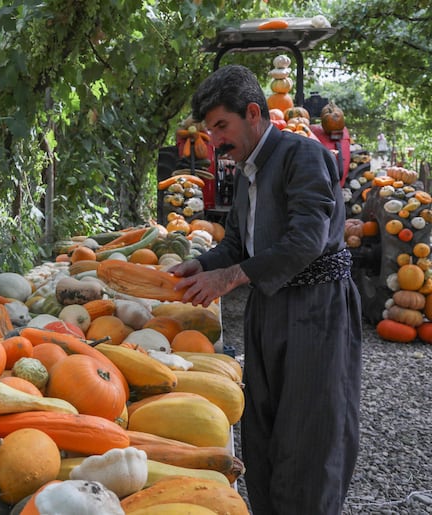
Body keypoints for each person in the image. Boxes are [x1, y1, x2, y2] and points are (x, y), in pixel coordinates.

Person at [169, 64, 362, 515]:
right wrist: (193, 267)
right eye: (210, 129)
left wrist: (231, 277)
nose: (214, 140)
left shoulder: (304, 156)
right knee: (264, 430)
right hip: (269, 306)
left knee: (309, 436)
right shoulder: (248, 170)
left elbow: (306, 241)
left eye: (221, 126)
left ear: (253, 112)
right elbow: (238, 245)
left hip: (317, 310)